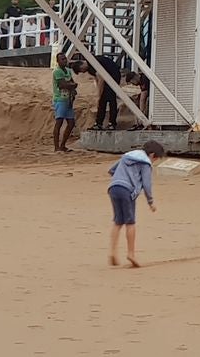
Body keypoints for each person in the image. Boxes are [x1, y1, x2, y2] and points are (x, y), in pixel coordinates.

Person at [107, 139, 165, 268]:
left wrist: (121, 176)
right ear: (151, 155)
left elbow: (111, 170)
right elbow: (147, 184)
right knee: (130, 222)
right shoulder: (145, 163)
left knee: (118, 221)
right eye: (155, 159)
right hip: (127, 190)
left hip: (113, 188)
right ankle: (131, 253)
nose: (154, 162)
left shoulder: (128, 156)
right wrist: (150, 202)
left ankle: (112, 252)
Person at [72, 52, 124, 131]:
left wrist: (99, 94)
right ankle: (99, 123)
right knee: (102, 101)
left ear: (81, 65)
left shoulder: (92, 63)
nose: (83, 72)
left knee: (110, 99)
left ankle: (112, 123)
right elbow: (96, 79)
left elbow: (101, 79)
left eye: (81, 70)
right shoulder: (89, 69)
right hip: (107, 77)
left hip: (113, 75)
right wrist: (98, 91)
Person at [52, 52, 78, 152]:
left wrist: (72, 86)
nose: (64, 61)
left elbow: (70, 83)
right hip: (60, 99)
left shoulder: (68, 71)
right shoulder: (57, 72)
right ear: (57, 61)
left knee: (71, 123)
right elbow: (62, 84)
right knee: (59, 122)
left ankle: (62, 145)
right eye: (62, 59)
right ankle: (56, 147)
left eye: (65, 59)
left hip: (68, 99)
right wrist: (72, 85)